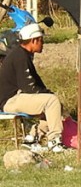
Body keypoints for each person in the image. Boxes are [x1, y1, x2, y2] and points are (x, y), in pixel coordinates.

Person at [0, 22, 64, 152]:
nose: (43, 43)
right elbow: (28, 87)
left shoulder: (22, 54)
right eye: (41, 40)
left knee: (53, 103)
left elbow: (36, 82)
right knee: (51, 102)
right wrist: (48, 96)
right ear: (34, 40)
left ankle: (32, 138)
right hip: (10, 101)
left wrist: (47, 93)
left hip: (14, 98)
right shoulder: (20, 56)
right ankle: (54, 140)